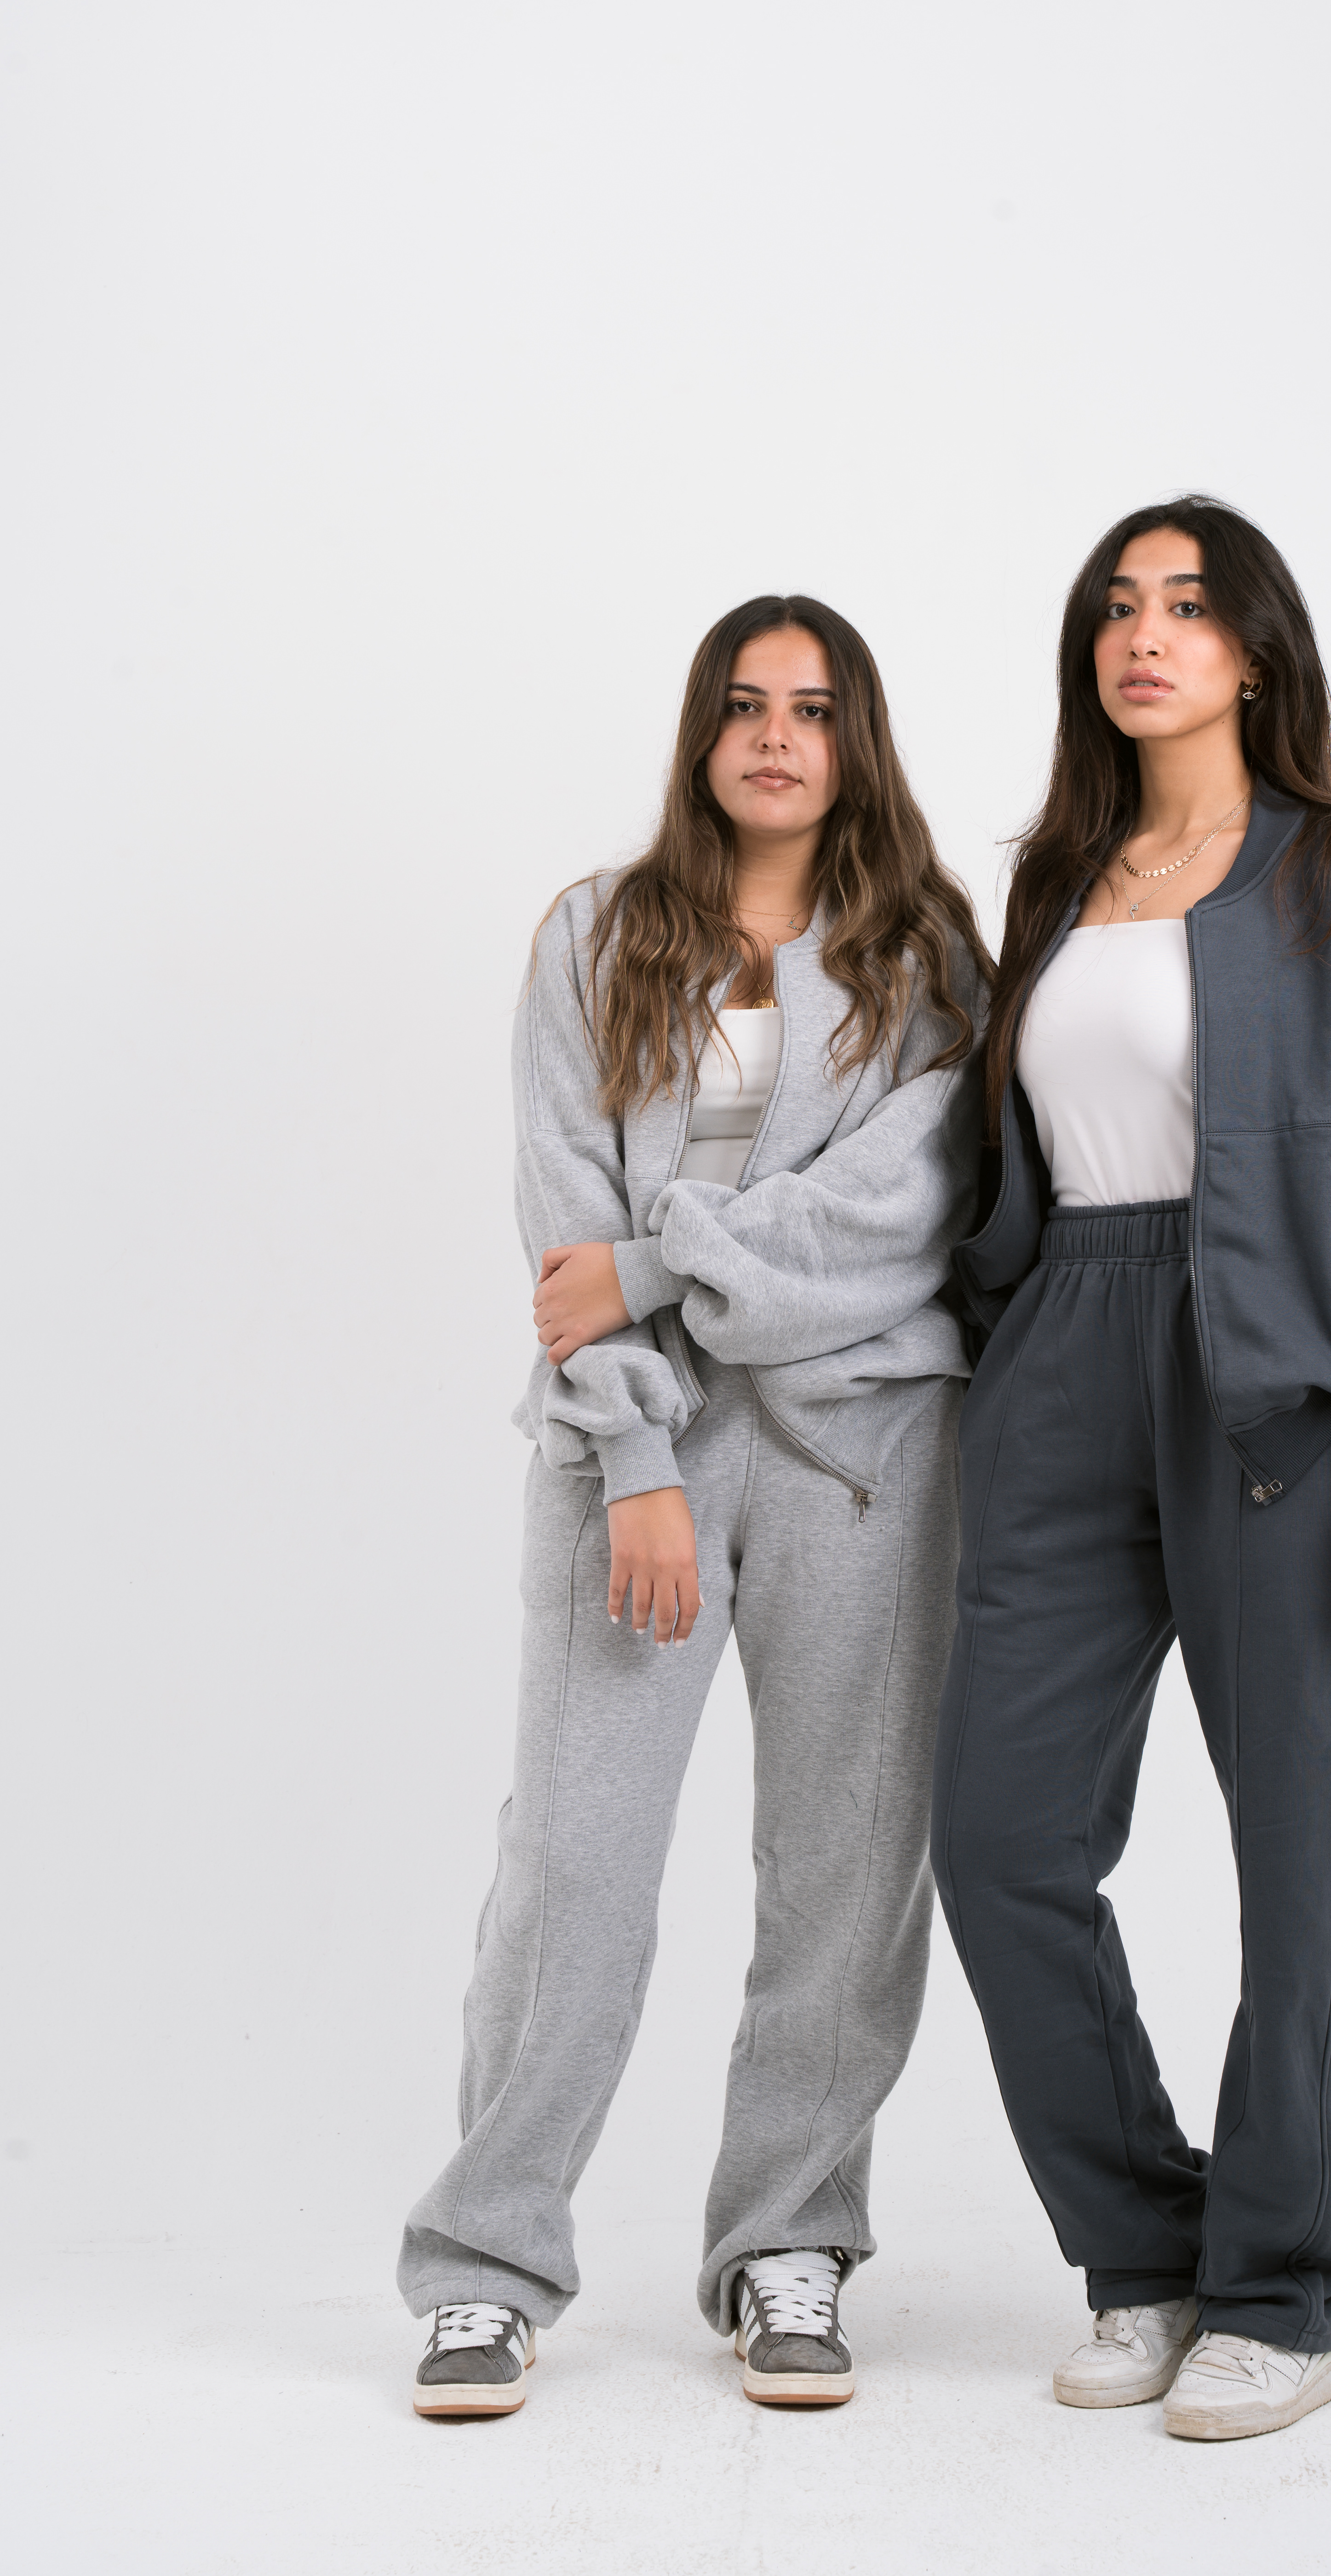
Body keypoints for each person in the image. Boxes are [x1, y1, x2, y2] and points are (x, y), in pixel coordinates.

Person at [931, 497, 1331, 2442]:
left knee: (1303, 1861)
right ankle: (1150, 2250)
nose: (1147, 635)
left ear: (1254, 653)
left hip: (1279, 1378)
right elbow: (1002, 1163)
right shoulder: (1059, 883)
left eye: (1189, 607)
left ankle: (1281, 2290)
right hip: (1065, 1359)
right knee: (1001, 1843)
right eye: (1120, 606)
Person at [399, 594, 990, 2418]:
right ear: (702, 732)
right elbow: (561, 1229)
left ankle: (788, 2245)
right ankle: (486, 2264)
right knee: (575, 1868)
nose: (775, 736)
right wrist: (638, 1461)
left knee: (844, 1872)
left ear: (854, 739)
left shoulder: (928, 958)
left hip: (867, 1460)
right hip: (626, 1460)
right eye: (744, 704)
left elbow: (904, 1217)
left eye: (811, 708)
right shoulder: (598, 935)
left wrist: (661, 1265)